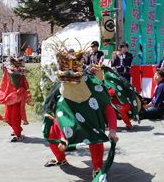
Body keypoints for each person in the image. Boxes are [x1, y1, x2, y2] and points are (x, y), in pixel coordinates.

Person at [41, 46, 119, 180]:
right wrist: (62, 137)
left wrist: (112, 130)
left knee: (94, 134)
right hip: (70, 119)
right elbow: (59, 115)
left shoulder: (93, 88)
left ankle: (98, 167)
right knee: (50, 129)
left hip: (89, 118)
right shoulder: (62, 90)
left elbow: (108, 109)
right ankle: (60, 158)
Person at [0, 56, 33, 142]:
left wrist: (20, 92)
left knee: (15, 117)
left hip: (17, 100)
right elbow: (3, 88)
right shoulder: (7, 77)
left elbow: (25, 87)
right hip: (8, 100)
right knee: (7, 118)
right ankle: (17, 129)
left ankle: (17, 134)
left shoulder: (22, 77)